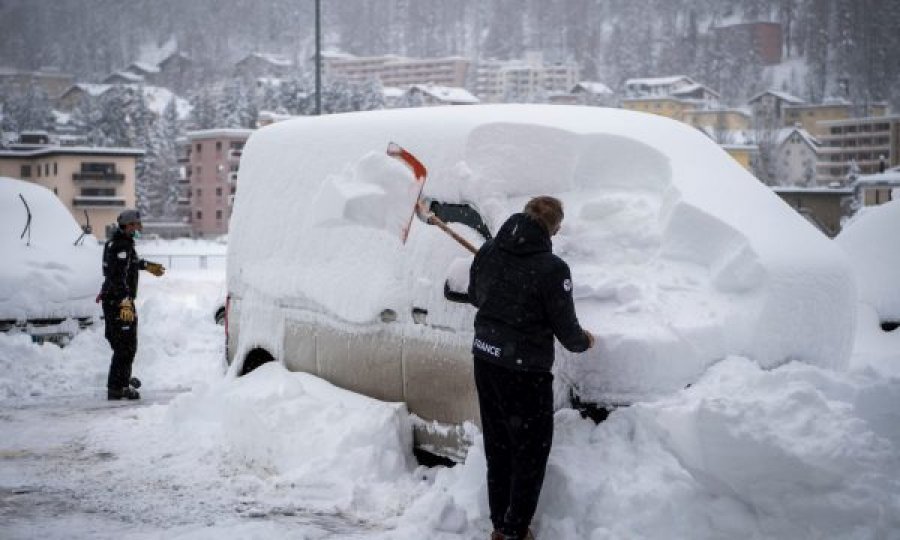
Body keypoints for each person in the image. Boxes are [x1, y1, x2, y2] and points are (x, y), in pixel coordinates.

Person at [467, 196, 594, 540]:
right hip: (524, 373)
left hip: (486, 359)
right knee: (530, 451)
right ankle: (515, 529)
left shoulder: (489, 251)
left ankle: (499, 525)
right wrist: (585, 341)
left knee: (498, 446)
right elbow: (567, 332)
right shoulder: (552, 269)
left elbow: (477, 297)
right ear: (555, 227)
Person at [98, 209, 165, 400]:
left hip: (115, 301)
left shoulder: (120, 243)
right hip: (120, 302)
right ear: (128, 226)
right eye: (137, 224)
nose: (140, 228)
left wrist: (146, 266)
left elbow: (127, 264)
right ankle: (118, 387)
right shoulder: (121, 246)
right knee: (126, 347)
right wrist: (125, 302)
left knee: (123, 345)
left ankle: (120, 381)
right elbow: (116, 277)